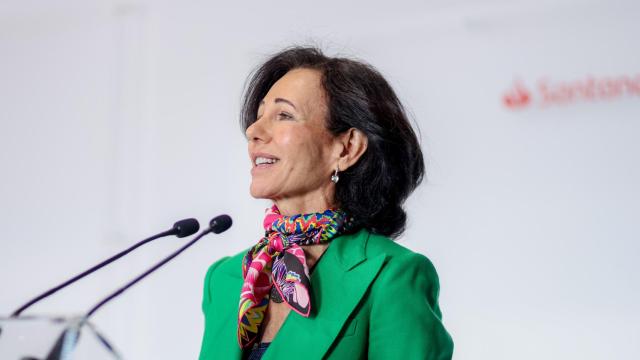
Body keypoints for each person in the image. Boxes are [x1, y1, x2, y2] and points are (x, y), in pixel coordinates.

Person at [199, 46, 453, 360]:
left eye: (284, 115)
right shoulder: (225, 280)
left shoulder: (392, 276)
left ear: (347, 148)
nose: (253, 131)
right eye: (259, 115)